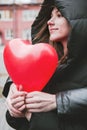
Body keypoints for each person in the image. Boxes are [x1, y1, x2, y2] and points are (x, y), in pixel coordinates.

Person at [2, 0, 87, 130]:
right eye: (50, 16)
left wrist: (55, 102)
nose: (49, 21)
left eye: (59, 15)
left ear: (78, 21)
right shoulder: (46, 63)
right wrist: (16, 108)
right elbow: (22, 123)